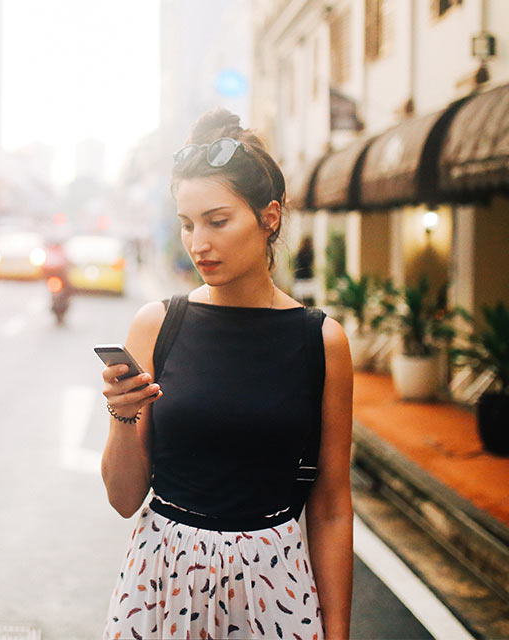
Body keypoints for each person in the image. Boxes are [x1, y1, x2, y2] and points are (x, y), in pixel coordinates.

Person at [100, 108, 354, 639]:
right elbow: (125, 500)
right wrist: (122, 418)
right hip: (162, 581)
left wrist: (337, 633)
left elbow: (330, 506)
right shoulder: (157, 325)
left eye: (217, 221)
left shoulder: (320, 341)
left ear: (270, 217)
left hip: (274, 587)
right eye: (188, 225)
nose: (198, 244)